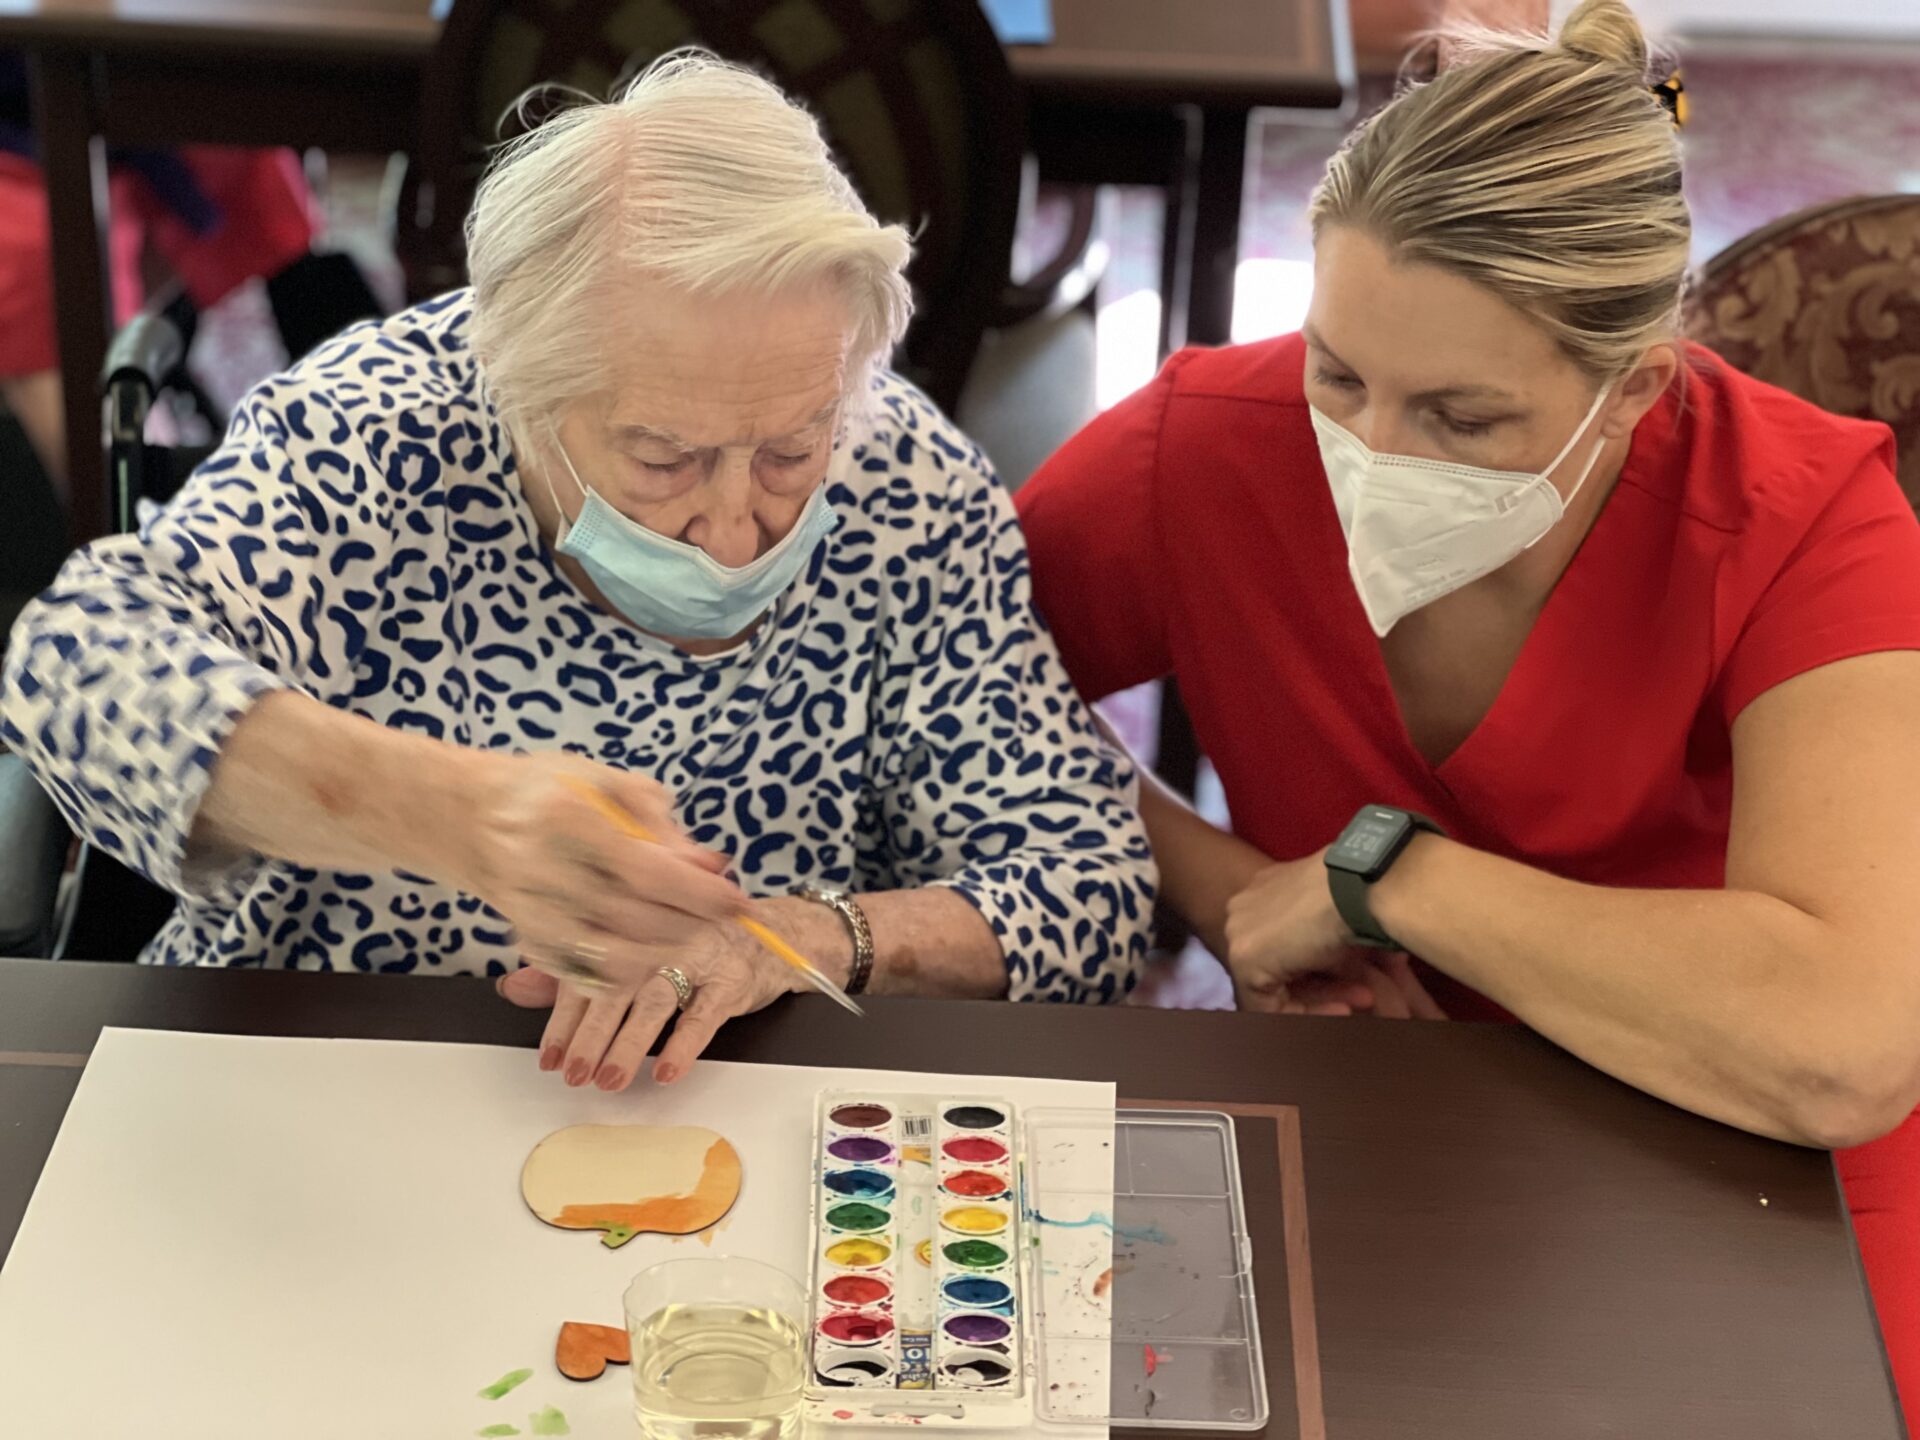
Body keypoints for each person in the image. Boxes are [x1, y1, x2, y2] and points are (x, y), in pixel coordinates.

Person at [1016, 0, 1920, 1421]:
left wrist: (1387, 882)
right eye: (1339, 375)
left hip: (1732, 1107)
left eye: (1461, 417)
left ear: (1632, 387)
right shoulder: (1207, 446)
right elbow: (939, 681)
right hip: (1373, 1090)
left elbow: (1842, 1046)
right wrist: (1231, 889)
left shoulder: (1803, 515)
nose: (1367, 454)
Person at [0, 55, 1154, 1091]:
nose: (735, 527)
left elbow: (1090, 884)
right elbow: (73, 666)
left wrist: (800, 936)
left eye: (793, 448)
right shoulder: (373, 437)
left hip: (732, 1100)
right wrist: (469, 820)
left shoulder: (904, 480)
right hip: (336, 1065)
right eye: (663, 457)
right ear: (515, 385)